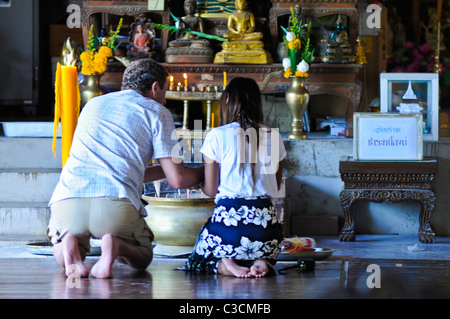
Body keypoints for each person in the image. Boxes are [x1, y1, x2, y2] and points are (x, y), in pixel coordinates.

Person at [47, 59, 204, 279]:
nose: (165, 99)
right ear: (155, 87)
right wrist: (203, 171)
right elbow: (178, 180)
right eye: (164, 91)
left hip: (68, 199)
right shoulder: (157, 111)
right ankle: (116, 245)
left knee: (64, 241)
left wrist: (168, 170)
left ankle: (70, 245)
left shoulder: (94, 104)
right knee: (143, 257)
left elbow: (125, 171)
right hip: (113, 207)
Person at [184, 77, 286, 278]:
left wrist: (199, 182)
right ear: (258, 103)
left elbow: (212, 190)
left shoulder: (217, 135)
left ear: (227, 101)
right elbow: (274, 187)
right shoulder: (274, 136)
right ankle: (262, 260)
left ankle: (226, 264)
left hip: (228, 227)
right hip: (266, 228)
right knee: (263, 243)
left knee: (197, 261)